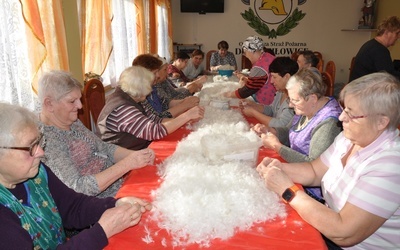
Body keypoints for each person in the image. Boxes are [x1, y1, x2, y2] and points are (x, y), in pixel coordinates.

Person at [257, 72, 400, 249]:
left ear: (381, 122)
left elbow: (344, 232)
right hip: (326, 228)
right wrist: (279, 168)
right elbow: (314, 171)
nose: (341, 118)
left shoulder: (391, 164)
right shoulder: (348, 139)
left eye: (351, 114)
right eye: (344, 109)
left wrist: (287, 190)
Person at [0, 102, 152, 249]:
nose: (41, 152)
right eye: (31, 147)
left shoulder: (37, 172)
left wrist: (115, 204)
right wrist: (102, 231)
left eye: (39, 142)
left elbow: (73, 206)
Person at [38, 70, 155, 198]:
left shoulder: (72, 122)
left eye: (79, 99)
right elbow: (78, 188)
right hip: (101, 202)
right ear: (49, 104)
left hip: (119, 184)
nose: (80, 106)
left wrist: (136, 155)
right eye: (72, 101)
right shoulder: (47, 141)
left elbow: (104, 147)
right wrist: (127, 164)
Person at [252, 68, 342, 202]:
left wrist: (277, 147)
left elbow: (312, 166)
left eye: (295, 100)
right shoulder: (307, 108)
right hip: (294, 173)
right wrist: (270, 131)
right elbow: (289, 130)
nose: (290, 104)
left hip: (312, 193)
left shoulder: (329, 123)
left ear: (312, 98)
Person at [97, 66, 204, 150]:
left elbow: (156, 120)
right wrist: (186, 116)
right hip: (123, 158)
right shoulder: (122, 109)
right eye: (149, 86)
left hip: (137, 149)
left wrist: (186, 121)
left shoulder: (134, 97)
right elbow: (154, 131)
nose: (151, 90)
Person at [132, 54, 200, 118]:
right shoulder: (141, 93)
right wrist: (185, 106)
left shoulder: (153, 86)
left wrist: (185, 101)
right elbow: (158, 118)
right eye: (155, 72)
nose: (158, 75)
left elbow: (166, 103)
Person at [240, 57, 298, 128]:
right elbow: (271, 110)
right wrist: (253, 105)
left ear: (287, 77)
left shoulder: (295, 99)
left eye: (274, 77)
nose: (271, 81)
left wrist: (253, 113)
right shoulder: (281, 91)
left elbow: (281, 125)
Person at [224, 36, 276, 105]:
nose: (245, 55)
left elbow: (248, 90)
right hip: (274, 98)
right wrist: (245, 79)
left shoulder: (259, 68)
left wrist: (229, 94)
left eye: (245, 52)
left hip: (265, 103)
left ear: (251, 51)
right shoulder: (267, 56)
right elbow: (259, 81)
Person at [350, 16, 400, 81]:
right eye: (397, 33)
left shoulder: (371, 44)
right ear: (387, 32)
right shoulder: (379, 50)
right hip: (363, 89)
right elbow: (389, 77)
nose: (398, 37)